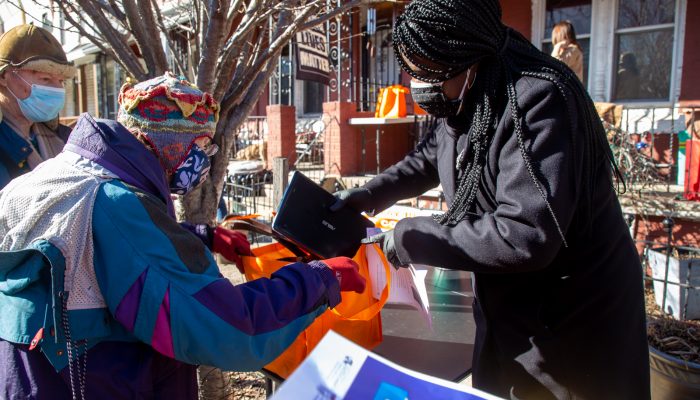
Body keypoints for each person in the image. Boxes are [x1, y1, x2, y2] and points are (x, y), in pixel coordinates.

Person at [332, 1, 649, 398]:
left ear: (468, 57)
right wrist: (367, 194)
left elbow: (525, 235)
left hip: (573, 319)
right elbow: (429, 158)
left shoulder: (539, 101)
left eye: (429, 72)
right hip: (510, 307)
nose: (419, 84)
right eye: (413, 71)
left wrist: (411, 237)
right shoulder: (467, 99)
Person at [0, 73, 366, 399]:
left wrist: (200, 236)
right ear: (170, 145)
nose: (205, 159)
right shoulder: (116, 205)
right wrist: (318, 280)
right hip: (102, 382)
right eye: (202, 146)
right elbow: (225, 329)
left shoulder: (50, 177)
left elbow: (105, 256)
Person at [0, 24, 75, 189]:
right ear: (4, 77)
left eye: (61, 81)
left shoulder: (66, 140)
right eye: (45, 79)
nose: (57, 90)